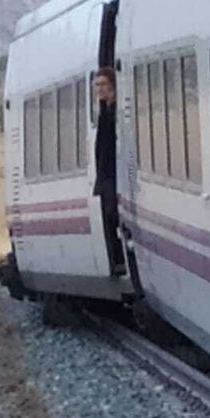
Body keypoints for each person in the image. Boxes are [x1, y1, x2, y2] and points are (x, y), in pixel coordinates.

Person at [92, 66, 123, 273]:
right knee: (106, 216)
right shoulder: (104, 112)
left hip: (114, 174)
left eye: (103, 84)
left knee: (112, 214)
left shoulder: (116, 112)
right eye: (97, 85)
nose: (100, 89)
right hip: (105, 175)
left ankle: (119, 258)